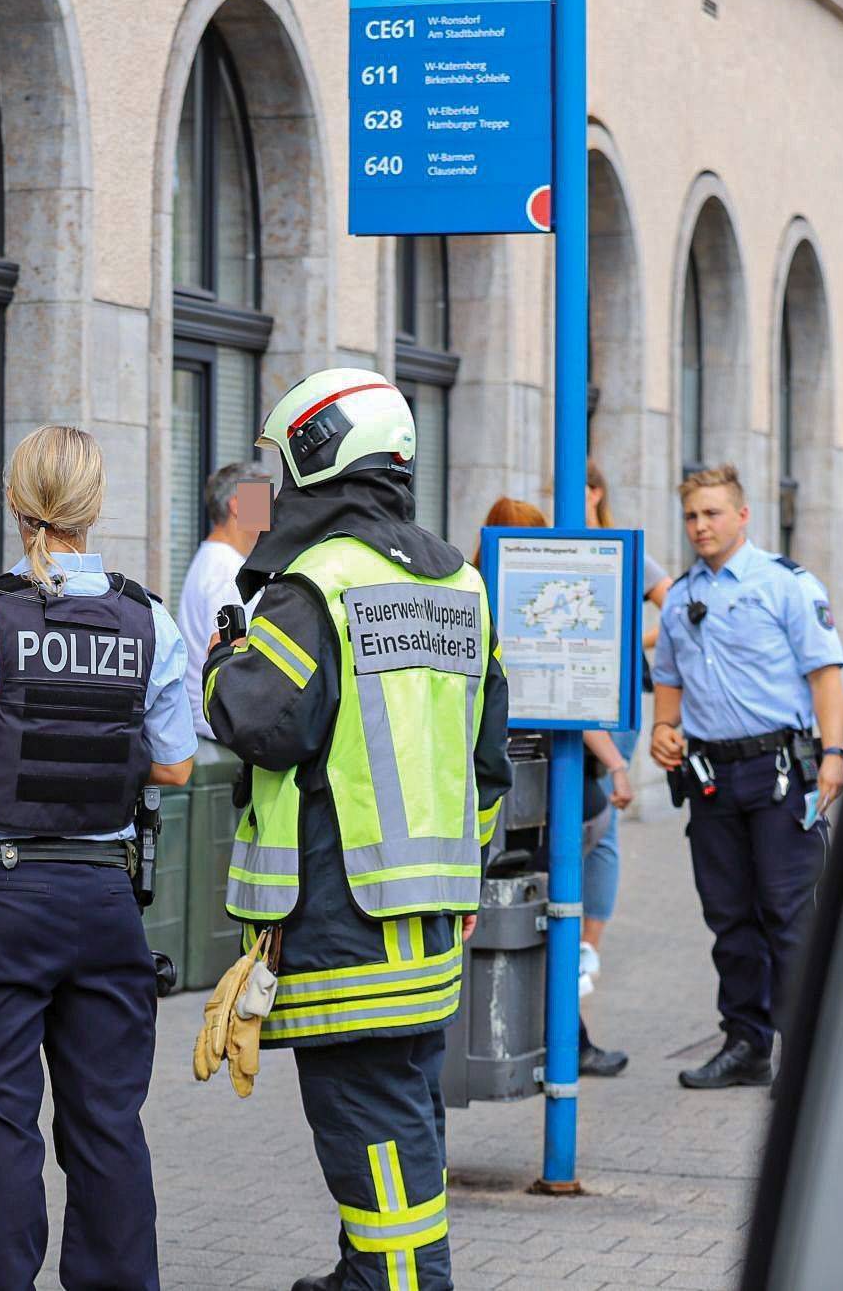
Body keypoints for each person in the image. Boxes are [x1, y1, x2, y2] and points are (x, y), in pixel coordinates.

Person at [202, 368, 510, 1291]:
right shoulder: (461, 581)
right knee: (405, 1112)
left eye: (282, 468)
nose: (276, 490)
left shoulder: (314, 584)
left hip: (342, 919)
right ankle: (362, 1273)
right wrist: (464, 880)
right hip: (431, 924)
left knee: (371, 1132)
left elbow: (262, 718)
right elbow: (487, 762)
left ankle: (399, 1283)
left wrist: (224, 660)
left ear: (315, 456)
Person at [0, 424, 197, 1290]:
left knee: (0, 1122)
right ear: (93, 509)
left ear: (17, 505)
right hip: (104, 899)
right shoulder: (147, 618)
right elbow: (174, 761)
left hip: (3, 901)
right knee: (107, 1122)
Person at [650, 463, 843, 1089]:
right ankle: (746, 1044)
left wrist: (835, 753)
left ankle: (809, 1054)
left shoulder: (785, 585)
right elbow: (669, 679)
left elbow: (825, 673)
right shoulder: (680, 596)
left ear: (742, 515)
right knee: (729, 918)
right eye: (691, 516)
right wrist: (662, 730)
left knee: (788, 915)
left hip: (781, 771)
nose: (701, 526)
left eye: (712, 513)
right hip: (711, 778)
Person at [473, 496, 635, 1076]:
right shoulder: (518, 607)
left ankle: (565, 1039)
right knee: (552, 915)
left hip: (493, 799)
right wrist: (617, 767)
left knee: (536, 917)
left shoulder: (468, 600)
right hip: (541, 800)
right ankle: (568, 1041)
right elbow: (577, 709)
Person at [580, 459, 673, 997]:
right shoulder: (557, 544)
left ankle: (591, 944)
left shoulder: (623, 549)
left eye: (578, 486)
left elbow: (678, 605)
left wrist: (632, 642)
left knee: (604, 822)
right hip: (566, 698)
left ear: (596, 492)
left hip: (616, 698)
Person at [178, 460, 272, 739]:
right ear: (238, 505)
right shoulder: (226, 571)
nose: (273, 509)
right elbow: (230, 658)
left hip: (217, 716)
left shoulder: (217, 560)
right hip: (219, 722)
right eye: (267, 498)